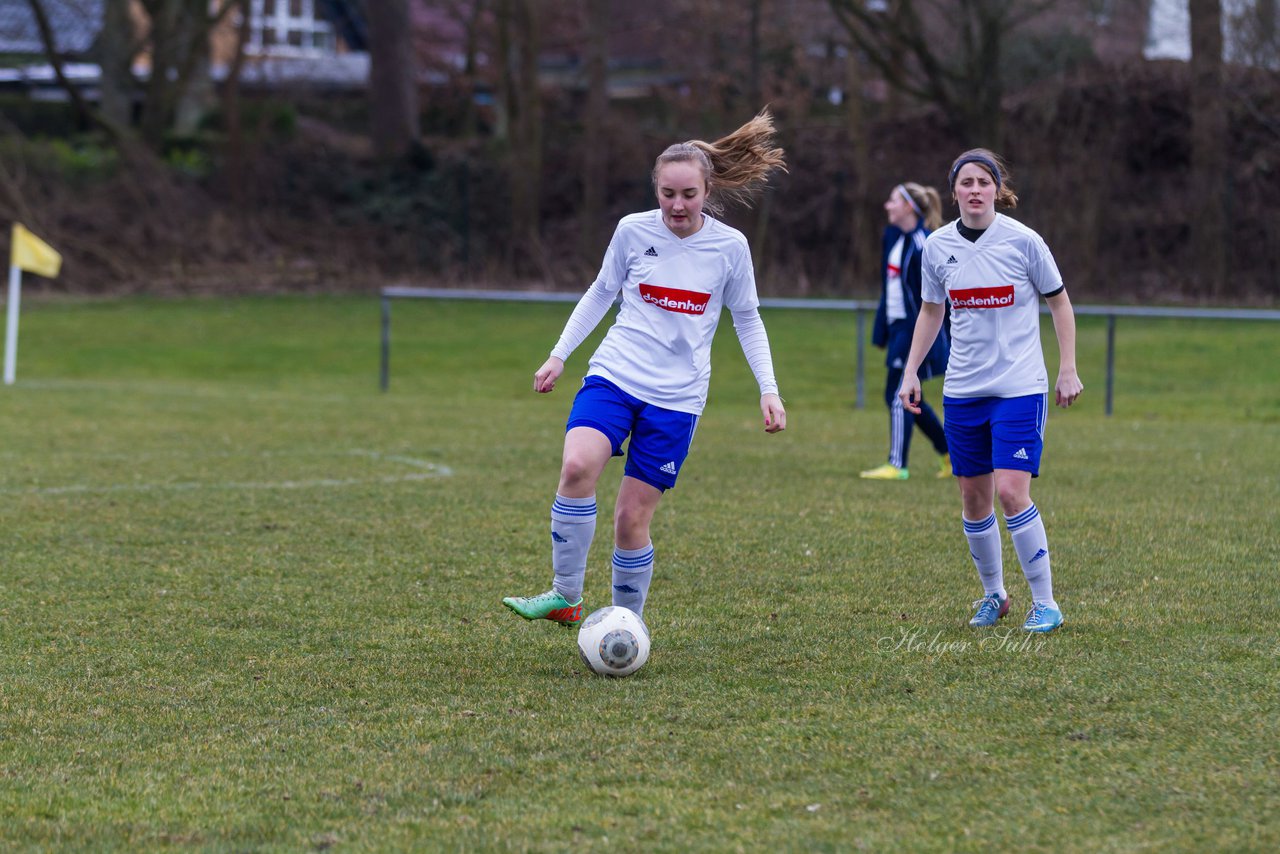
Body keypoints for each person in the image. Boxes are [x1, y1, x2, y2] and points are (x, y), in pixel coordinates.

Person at [502, 110, 789, 630]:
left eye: (688, 195)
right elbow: (601, 292)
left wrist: (768, 389)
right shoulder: (632, 232)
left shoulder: (730, 247)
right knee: (575, 468)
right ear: (655, 190)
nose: (677, 205)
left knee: (631, 519)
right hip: (615, 375)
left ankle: (625, 626)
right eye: (667, 194)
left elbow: (747, 319)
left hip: (677, 398)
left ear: (707, 192)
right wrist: (558, 354)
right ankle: (566, 596)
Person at [898, 148, 1083, 633]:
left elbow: (1059, 304)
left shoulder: (1024, 242)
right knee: (974, 499)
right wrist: (911, 371)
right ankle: (994, 596)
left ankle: (1045, 603)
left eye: (984, 182)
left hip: (1020, 387)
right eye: (966, 182)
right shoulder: (936, 247)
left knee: (1009, 490)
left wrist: (1068, 368)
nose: (975, 190)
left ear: (997, 189)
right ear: (954, 191)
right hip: (963, 391)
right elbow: (931, 311)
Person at [861, 181, 951, 481]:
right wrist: (882, 331)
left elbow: (935, 301)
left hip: (916, 333)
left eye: (893, 200)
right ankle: (951, 454)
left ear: (909, 208)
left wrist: (933, 338)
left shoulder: (923, 244)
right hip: (900, 331)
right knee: (911, 398)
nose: (887, 206)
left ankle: (897, 465)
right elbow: (891, 292)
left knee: (897, 396)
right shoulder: (894, 239)